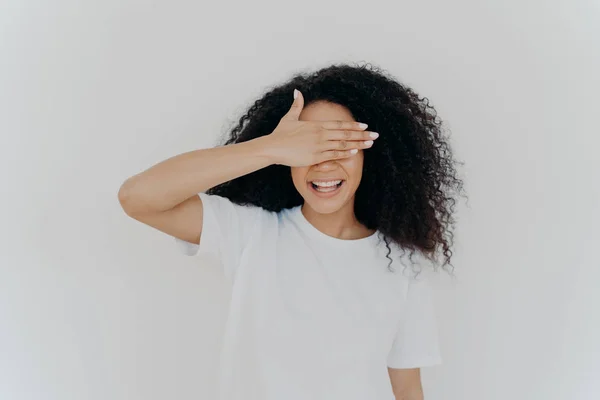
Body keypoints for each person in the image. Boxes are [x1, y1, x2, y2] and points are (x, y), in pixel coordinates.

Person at [118, 63, 464, 400]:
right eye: (309, 147)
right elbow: (138, 198)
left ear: (371, 154)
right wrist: (270, 148)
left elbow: (406, 390)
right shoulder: (250, 232)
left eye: (340, 144)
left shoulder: (403, 262)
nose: (323, 163)